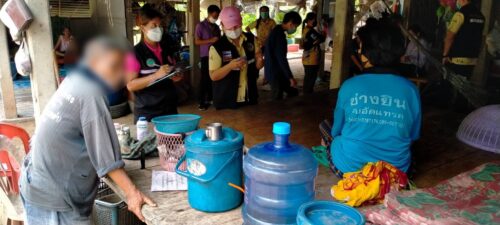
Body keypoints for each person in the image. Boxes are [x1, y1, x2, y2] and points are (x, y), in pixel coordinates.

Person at [20, 36, 156, 225]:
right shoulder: (91, 92)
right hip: (54, 199)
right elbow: (106, 159)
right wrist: (133, 194)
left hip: (37, 183)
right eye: (115, 67)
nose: (119, 76)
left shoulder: (75, 78)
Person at [327, 21, 421, 176]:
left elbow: (336, 130)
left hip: (350, 169)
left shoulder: (349, 86)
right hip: (394, 173)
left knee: (326, 128)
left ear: (366, 54)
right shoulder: (410, 90)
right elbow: (413, 136)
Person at [126, 4, 182, 122]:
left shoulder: (166, 48)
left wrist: (175, 75)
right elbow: (131, 85)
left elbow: (171, 70)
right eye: (154, 26)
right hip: (148, 113)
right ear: (143, 28)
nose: (158, 29)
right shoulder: (134, 53)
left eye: (160, 25)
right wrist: (156, 75)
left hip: (170, 109)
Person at [208, 6, 264, 110]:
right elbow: (213, 76)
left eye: (236, 26)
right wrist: (230, 66)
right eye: (229, 28)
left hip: (249, 97)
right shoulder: (217, 47)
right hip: (226, 100)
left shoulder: (251, 39)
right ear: (222, 26)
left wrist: (260, 60)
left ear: (241, 21)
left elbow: (258, 66)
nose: (233, 30)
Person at [442, 0, 485, 79]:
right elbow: (482, 38)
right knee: (464, 86)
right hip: (472, 59)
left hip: (457, 58)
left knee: (452, 86)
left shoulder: (460, 14)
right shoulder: (481, 16)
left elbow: (449, 37)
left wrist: (445, 55)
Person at [265, 11, 302, 100]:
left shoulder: (276, 30)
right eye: (296, 26)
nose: (295, 29)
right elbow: (281, 58)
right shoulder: (279, 35)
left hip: (275, 71)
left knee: (291, 91)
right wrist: (290, 77)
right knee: (277, 98)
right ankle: (274, 113)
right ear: (290, 23)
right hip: (275, 72)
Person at [195, 5, 222, 111]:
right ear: (209, 14)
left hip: (216, 56)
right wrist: (210, 40)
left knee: (214, 78)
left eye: (217, 16)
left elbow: (219, 40)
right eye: (214, 15)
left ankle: (212, 98)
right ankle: (201, 101)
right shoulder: (200, 26)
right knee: (205, 79)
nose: (215, 18)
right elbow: (197, 42)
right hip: (205, 55)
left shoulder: (216, 27)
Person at [301, 12, 325, 94]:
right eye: (314, 20)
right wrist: (324, 30)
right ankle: (307, 96)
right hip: (311, 58)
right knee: (310, 79)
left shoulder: (306, 29)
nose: (315, 22)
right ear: (310, 20)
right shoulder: (310, 31)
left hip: (308, 58)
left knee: (308, 78)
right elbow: (321, 39)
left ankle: (307, 94)